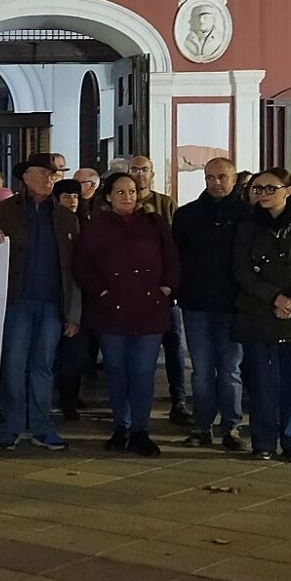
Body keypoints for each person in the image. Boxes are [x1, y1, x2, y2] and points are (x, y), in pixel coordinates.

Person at [74, 172, 180, 457]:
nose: (128, 196)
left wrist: (167, 289)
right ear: (108, 195)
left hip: (149, 309)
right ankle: (121, 426)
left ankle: (140, 430)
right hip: (112, 311)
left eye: (132, 191)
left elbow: (172, 258)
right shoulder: (96, 227)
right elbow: (83, 265)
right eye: (120, 192)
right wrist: (102, 293)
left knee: (143, 373)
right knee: (118, 372)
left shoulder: (153, 223)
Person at [0, 153, 81, 452]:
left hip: (52, 302)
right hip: (16, 300)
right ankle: (11, 426)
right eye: (44, 172)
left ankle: (42, 426)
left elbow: (74, 268)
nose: (50, 178)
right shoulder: (4, 210)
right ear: (26, 177)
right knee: (13, 364)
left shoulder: (66, 216)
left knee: (43, 366)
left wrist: (74, 313)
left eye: (53, 174)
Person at [234, 168, 291, 462]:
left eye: (270, 188)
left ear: (288, 190)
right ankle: (263, 440)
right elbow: (241, 271)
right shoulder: (247, 226)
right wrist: (274, 297)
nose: (262, 194)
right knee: (262, 382)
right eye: (257, 189)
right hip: (258, 314)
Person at [171, 158, 250, 451]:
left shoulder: (247, 215)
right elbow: (176, 256)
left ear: (233, 178)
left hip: (233, 304)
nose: (216, 183)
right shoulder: (188, 215)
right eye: (210, 177)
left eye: (222, 177)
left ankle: (231, 427)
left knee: (230, 368)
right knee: (202, 370)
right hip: (197, 303)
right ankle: (202, 426)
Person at [129, 155, 191, 426]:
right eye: (135, 169)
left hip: (163, 288)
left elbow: (176, 246)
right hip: (131, 290)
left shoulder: (165, 204)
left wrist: (171, 283)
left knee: (173, 344)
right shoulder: (120, 202)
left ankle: (179, 400)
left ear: (152, 174)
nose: (139, 174)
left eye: (144, 170)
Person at [50, 178, 91, 421]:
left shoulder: (85, 223)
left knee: (74, 356)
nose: (72, 201)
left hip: (81, 299)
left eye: (75, 196)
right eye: (66, 196)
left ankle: (70, 399)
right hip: (57, 298)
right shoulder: (53, 223)